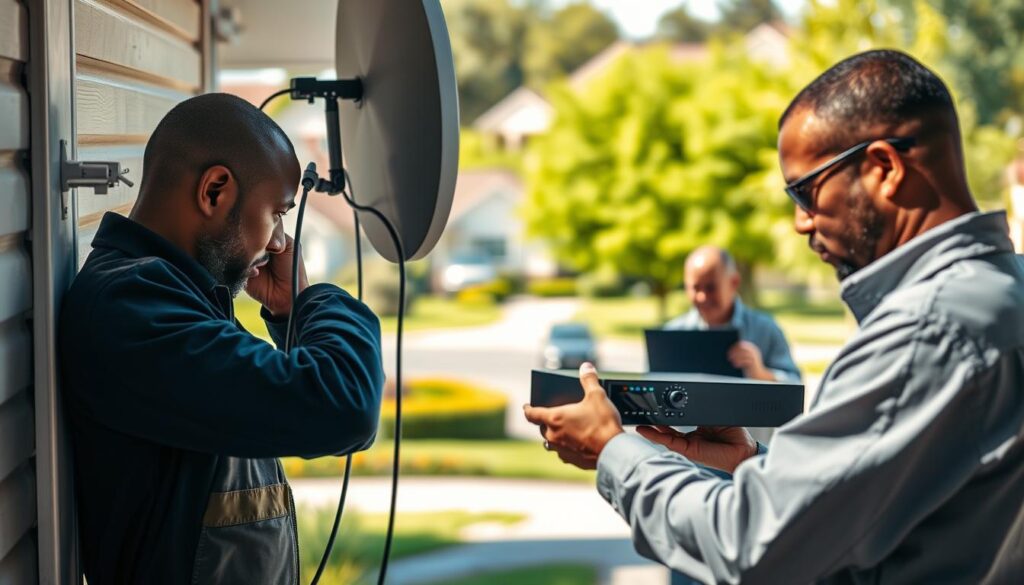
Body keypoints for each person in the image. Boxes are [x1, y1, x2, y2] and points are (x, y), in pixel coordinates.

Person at [524, 49, 1024, 584]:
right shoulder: (1004, 291)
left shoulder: (931, 331)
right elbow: (900, 497)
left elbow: (751, 547)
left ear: (885, 168)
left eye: (806, 192)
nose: (799, 224)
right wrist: (752, 464)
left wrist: (614, 450)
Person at [59, 94, 385, 584]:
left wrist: (286, 312)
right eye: (276, 213)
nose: (279, 242)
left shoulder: (178, 296)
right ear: (215, 191)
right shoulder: (133, 309)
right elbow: (344, 404)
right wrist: (310, 300)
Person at [664, 245, 800, 382]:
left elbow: (795, 382)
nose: (702, 296)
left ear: (734, 283)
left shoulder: (765, 329)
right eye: (695, 288)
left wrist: (761, 374)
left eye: (711, 288)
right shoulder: (671, 334)